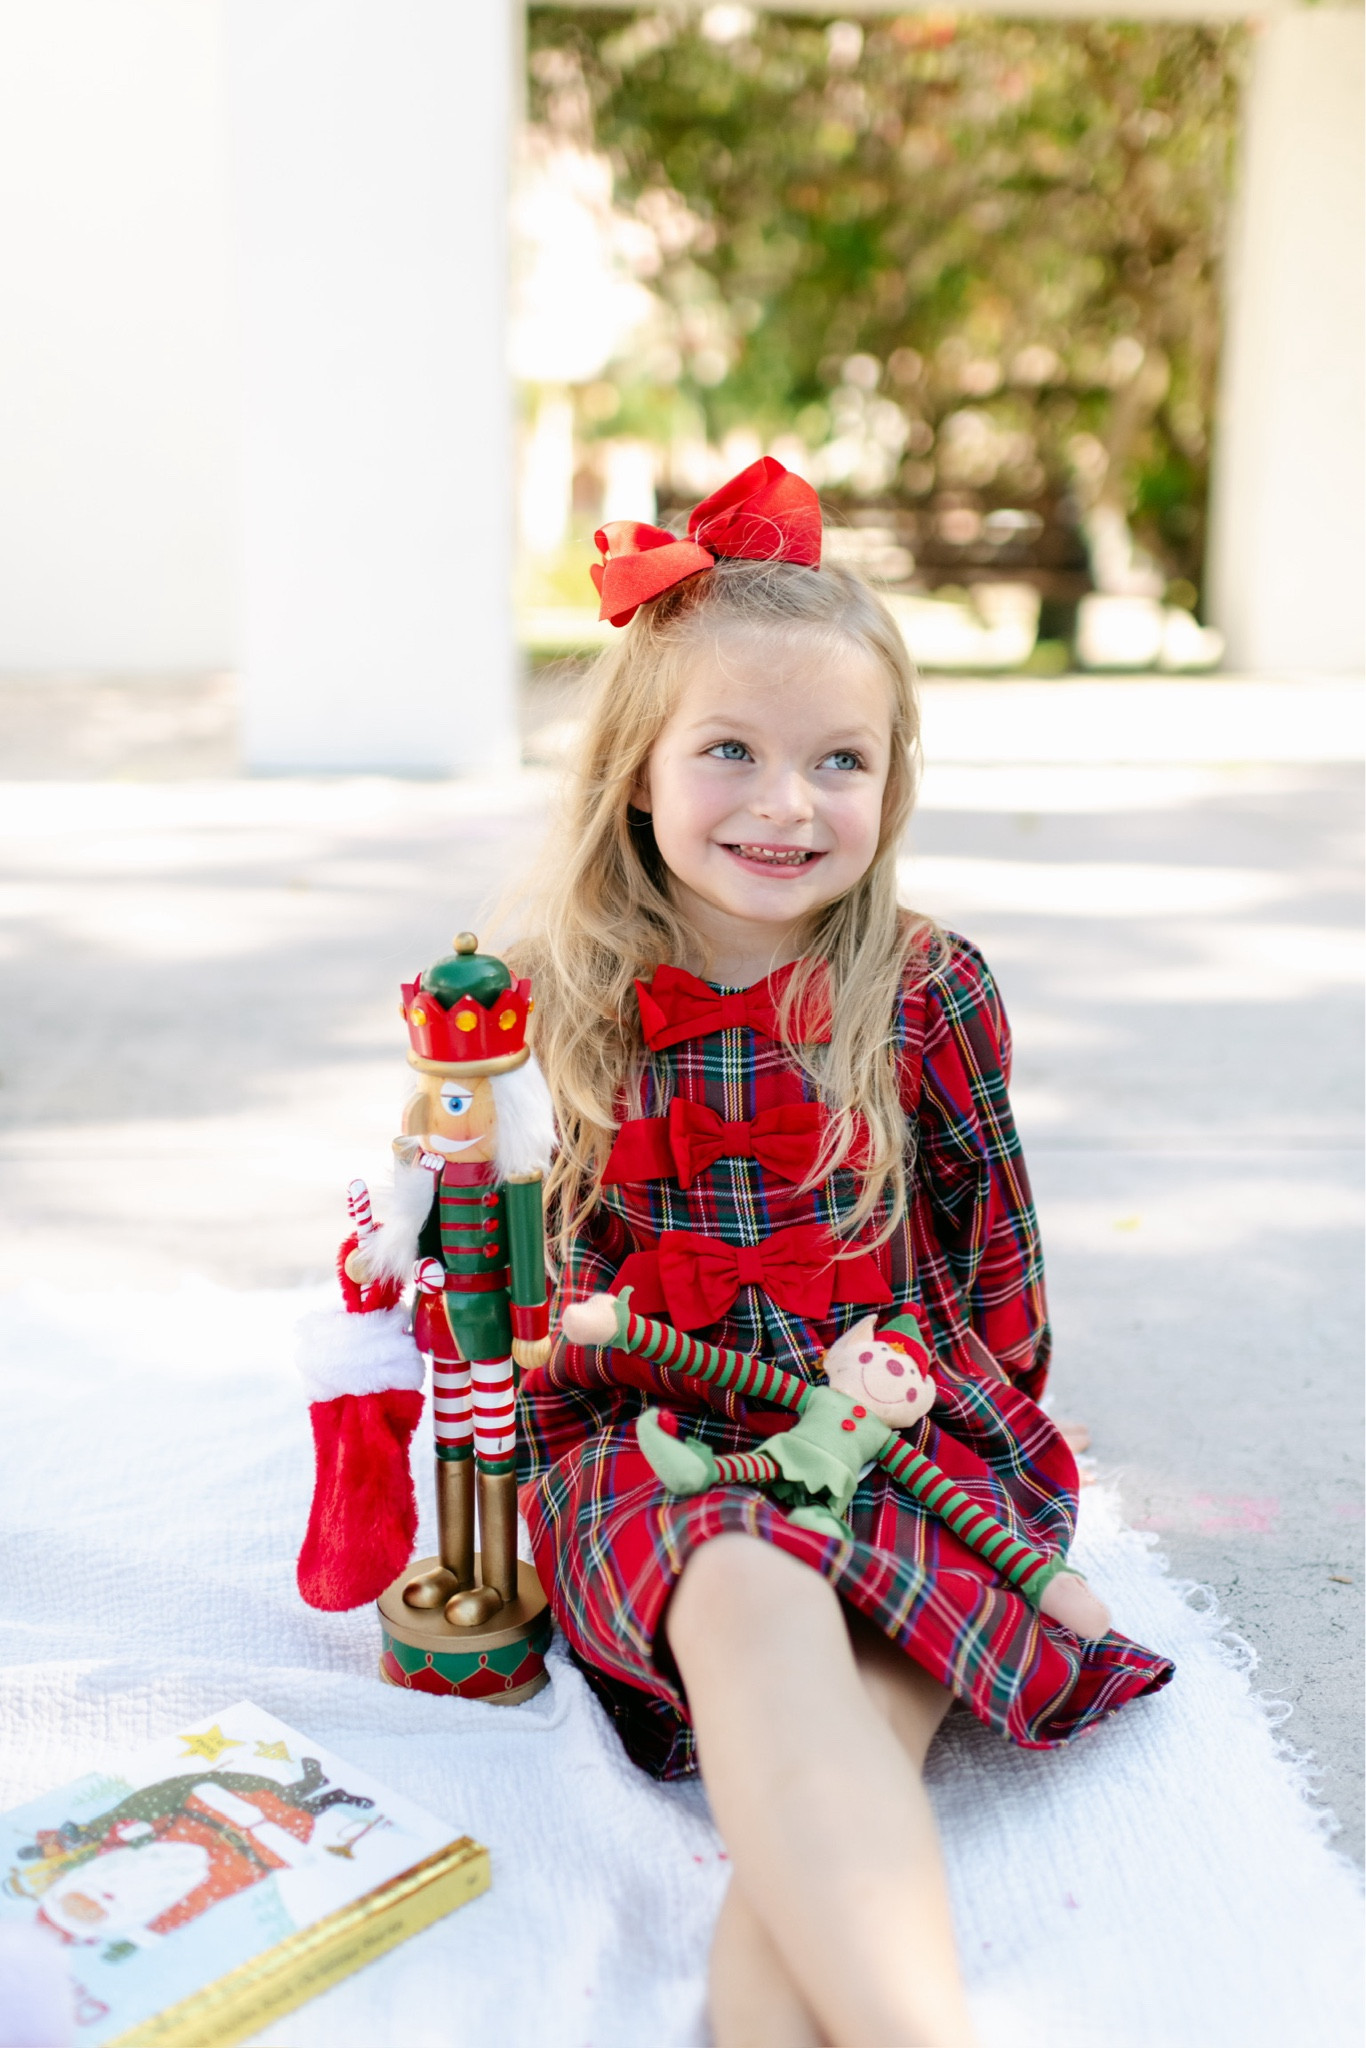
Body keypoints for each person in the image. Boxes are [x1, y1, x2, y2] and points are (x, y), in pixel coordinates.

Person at [512, 458, 1173, 2048]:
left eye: (838, 761)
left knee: (868, 1706)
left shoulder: (925, 992)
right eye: (727, 751)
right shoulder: (556, 1001)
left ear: (892, 782)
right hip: (657, 1441)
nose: (786, 803)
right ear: (633, 770)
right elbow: (501, 1278)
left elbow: (990, 1250)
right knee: (745, 1591)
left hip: (900, 1424)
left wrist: (1010, 1478)